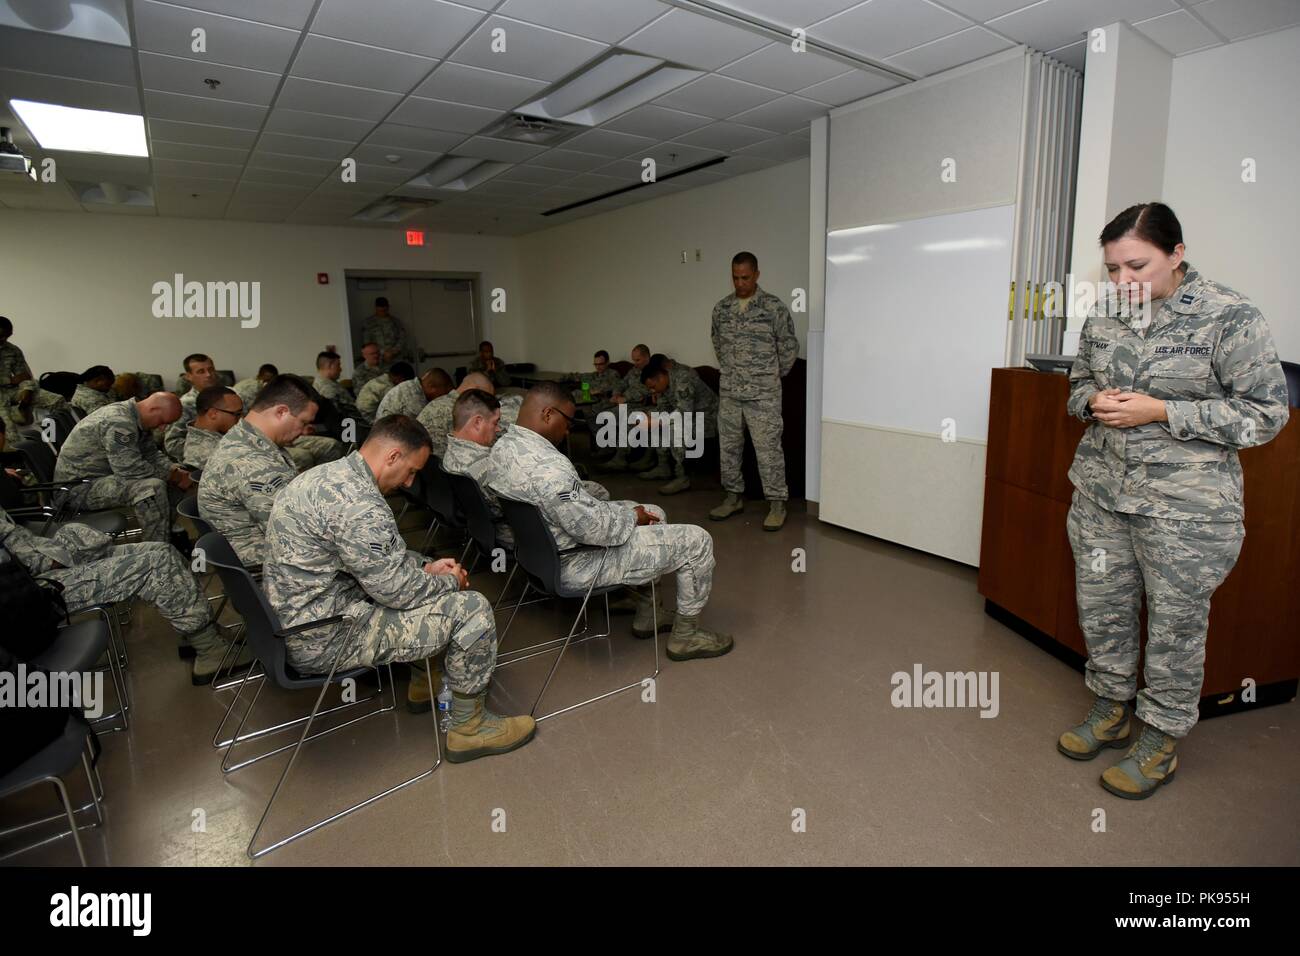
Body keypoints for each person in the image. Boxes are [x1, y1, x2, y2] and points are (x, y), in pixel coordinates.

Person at [1059, 202, 1290, 800]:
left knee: (1174, 629)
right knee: (1102, 609)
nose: (1121, 281)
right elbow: (1076, 382)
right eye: (1111, 269)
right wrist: (1091, 402)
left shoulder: (1230, 316)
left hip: (1185, 510)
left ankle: (1159, 741)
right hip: (1102, 495)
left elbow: (1265, 416)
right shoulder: (1107, 314)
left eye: (1136, 265)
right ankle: (1110, 708)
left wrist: (1162, 410)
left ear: (1177, 254)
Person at [264, 415, 535, 761]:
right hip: (326, 635)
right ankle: (470, 729)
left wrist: (425, 567)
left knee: (431, 588)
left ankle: (425, 684)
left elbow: (372, 555)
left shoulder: (325, 477)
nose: (409, 482)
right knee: (472, 608)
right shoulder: (361, 505)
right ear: (392, 456)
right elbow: (397, 592)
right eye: (410, 471)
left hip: (303, 619)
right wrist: (449, 580)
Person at [488, 382, 733, 660]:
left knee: (653, 512)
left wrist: (631, 514)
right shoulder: (548, 467)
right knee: (696, 541)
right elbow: (597, 530)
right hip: (577, 563)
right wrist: (631, 516)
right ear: (547, 414)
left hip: (541, 555)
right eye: (567, 421)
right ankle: (686, 637)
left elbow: (573, 511)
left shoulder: (503, 447)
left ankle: (647, 612)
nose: (568, 430)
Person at [0, 505, 251, 683]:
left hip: (44, 562)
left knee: (162, 551)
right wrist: (47, 560)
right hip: (33, 591)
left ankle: (199, 633)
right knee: (155, 565)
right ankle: (210, 652)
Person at [444, 390, 612, 548]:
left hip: (488, 528)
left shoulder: (452, 453)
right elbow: (525, 502)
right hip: (519, 533)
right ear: (478, 422)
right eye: (495, 423)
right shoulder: (481, 466)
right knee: (596, 491)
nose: (497, 429)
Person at [708, 251, 798, 530]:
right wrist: (735, 373)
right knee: (729, 449)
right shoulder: (721, 309)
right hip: (731, 394)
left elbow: (788, 346)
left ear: (757, 274)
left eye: (745, 277)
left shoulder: (773, 307)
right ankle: (733, 497)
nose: (740, 283)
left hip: (764, 395)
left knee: (768, 450)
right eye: (735, 277)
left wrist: (768, 376)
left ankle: (776, 504)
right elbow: (718, 343)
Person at [198, 375, 315, 566]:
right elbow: (294, 534)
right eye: (303, 422)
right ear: (281, 412)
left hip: (265, 553)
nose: (303, 431)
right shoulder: (252, 463)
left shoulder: (244, 439)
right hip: (268, 566)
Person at [54, 392, 191, 542]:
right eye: (163, 422)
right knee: (151, 488)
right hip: (77, 489)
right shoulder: (119, 421)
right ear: (153, 409)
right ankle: (158, 548)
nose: (163, 428)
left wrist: (174, 469)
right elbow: (129, 469)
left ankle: (169, 532)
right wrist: (172, 476)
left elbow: (151, 454)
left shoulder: (135, 417)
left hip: (100, 479)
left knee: (171, 476)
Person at [636, 353, 719, 496]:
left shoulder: (683, 378)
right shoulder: (665, 383)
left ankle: (682, 478)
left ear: (660, 377)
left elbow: (683, 413)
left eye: (653, 387)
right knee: (656, 419)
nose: (652, 391)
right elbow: (663, 407)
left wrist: (655, 422)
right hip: (691, 416)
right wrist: (648, 416)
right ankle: (663, 467)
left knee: (674, 428)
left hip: (709, 418)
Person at [417, 371, 509, 458]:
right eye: (486, 398)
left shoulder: (439, 402)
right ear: (476, 393)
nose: (489, 405)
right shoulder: (458, 411)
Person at [600, 344, 656, 473]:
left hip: (644, 404)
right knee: (608, 415)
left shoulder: (654, 371)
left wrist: (625, 398)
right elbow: (622, 383)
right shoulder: (634, 370)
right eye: (633, 360)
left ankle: (620, 458)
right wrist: (616, 393)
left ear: (647, 357)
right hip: (628, 403)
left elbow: (648, 390)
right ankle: (611, 450)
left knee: (626, 417)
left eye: (638, 360)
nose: (635, 363)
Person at [164, 353, 220, 460]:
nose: (208, 374)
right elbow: (172, 444)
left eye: (211, 369)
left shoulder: (229, 397)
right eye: (201, 372)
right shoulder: (185, 404)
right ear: (189, 376)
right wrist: (210, 450)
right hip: (200, 462)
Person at [180, 384, 242, 470]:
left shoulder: (217, 434)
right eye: (237, 414)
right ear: (213, 414)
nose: (240, 419)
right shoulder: (203, 453)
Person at [374, 367, 451, 420]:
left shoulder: (413, 387)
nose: (443, 398)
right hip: (388, 437)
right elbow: (421, 426)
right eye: (443, 393)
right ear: (431, 387)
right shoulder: (414, 396)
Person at [360, 297, 415, 367]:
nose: (383, 312)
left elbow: (402, 339)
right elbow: (367, 343)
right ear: (376, 308)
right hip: (377, 359)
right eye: (380, 310)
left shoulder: (396, 322)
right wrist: (383, 352)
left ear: (388, 308)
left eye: (385, 309)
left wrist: (393, 351)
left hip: (396, 358)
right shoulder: (368, 323)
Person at [312, 349, 360, 422]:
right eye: (338, 365)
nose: (340, 369)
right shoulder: (327, 388)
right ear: (329, 366)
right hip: (351, 424)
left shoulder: (329, 382)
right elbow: (337, 416)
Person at [0, 315, 33, 411]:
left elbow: (24, 376)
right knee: (6, 419)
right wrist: (10, 380)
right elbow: (15, 379)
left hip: (12, 391)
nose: (4, 339)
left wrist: (27, 389)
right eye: (1, 336)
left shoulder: (13, 350)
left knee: (56, 400)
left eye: (7, 335)